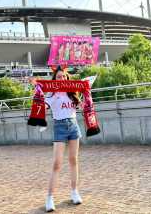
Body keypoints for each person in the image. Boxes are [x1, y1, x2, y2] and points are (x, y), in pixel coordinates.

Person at [44, 66, 83, 212]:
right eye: (59, 77)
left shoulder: (72, 93)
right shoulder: (51, 95)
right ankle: (49, 197)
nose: (62, 79)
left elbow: (81, 107)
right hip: (59, 127)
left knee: (74, 160)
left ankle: (74, 192)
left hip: (73, 125)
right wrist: (38, 98)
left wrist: (86, 101)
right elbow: (43, 107)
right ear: (55, 79)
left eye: (64, 76)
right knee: (57, 164)